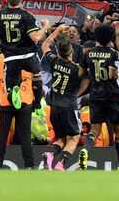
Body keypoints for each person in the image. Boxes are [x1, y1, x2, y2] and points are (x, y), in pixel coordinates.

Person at [79, 24, 119, 171]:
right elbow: (111, 75)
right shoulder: (113, 53)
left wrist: (93, 74)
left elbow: (80, 73)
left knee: (94, 131)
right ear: (110, 38)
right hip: (111, 96)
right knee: (118, 130)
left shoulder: (88, 53)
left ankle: (85, 150)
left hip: (95, 95)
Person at [0, 0, 47, 111]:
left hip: (11, 57)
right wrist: (45, 26)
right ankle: (38, 104)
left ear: (7, 1)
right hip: (28, 56)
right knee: (37, 75)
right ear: (21, 0)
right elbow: (36, 37)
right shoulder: (27, 16)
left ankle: (14, 91)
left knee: (10, 90)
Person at [40, 25, 83, 171]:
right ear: (71, 51)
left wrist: (57, 31)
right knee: (74, 138)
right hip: (69, 107)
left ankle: (50, 154)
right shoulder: (76, 69)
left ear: (58, 51)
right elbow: (88, 75)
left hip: (54, 108)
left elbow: (45, 45)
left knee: (60, 139)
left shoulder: (54, 61)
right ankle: (61, 164)